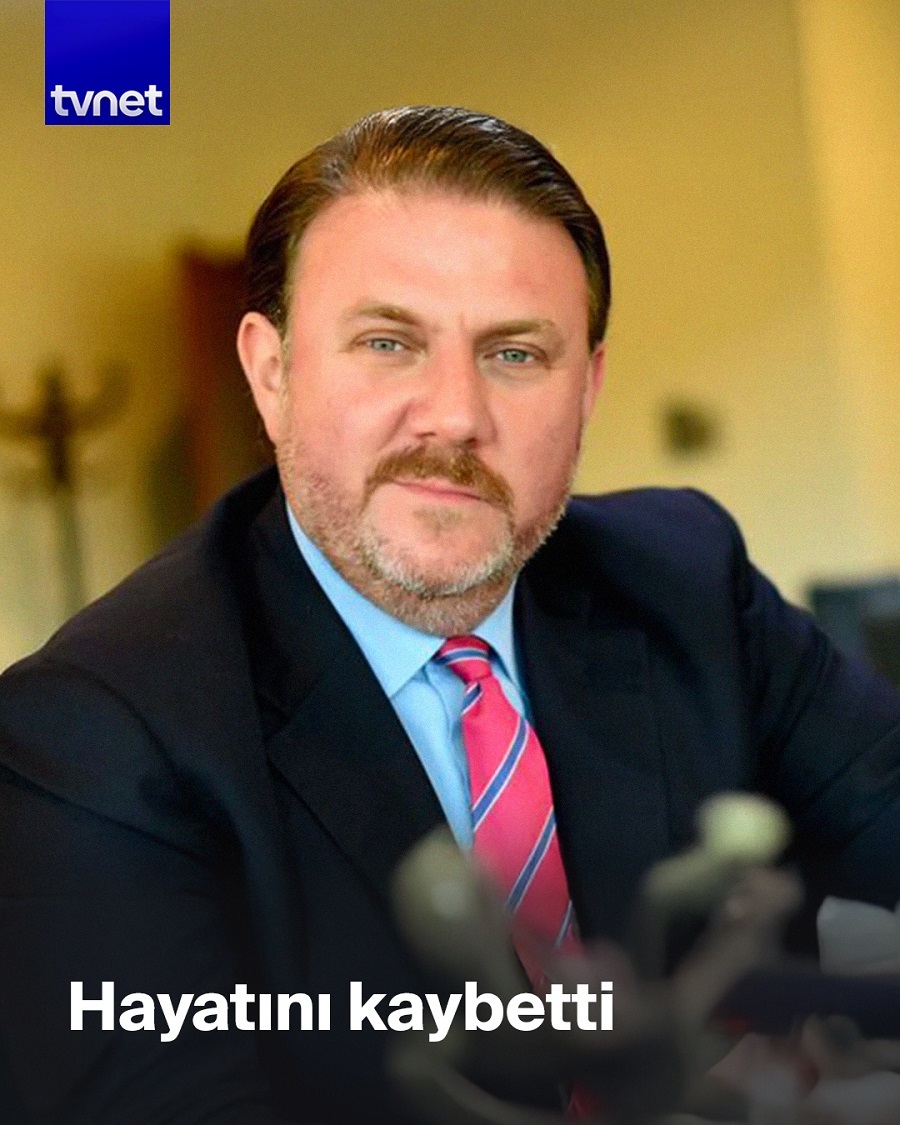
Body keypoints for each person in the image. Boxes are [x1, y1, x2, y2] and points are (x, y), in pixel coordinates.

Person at [0, 106, 897, 1124]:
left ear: (589, 388)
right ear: (272, 373)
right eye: (389, 343)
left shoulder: (687, 581)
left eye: (516, 354)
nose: (456, 417)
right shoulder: (91, 736)